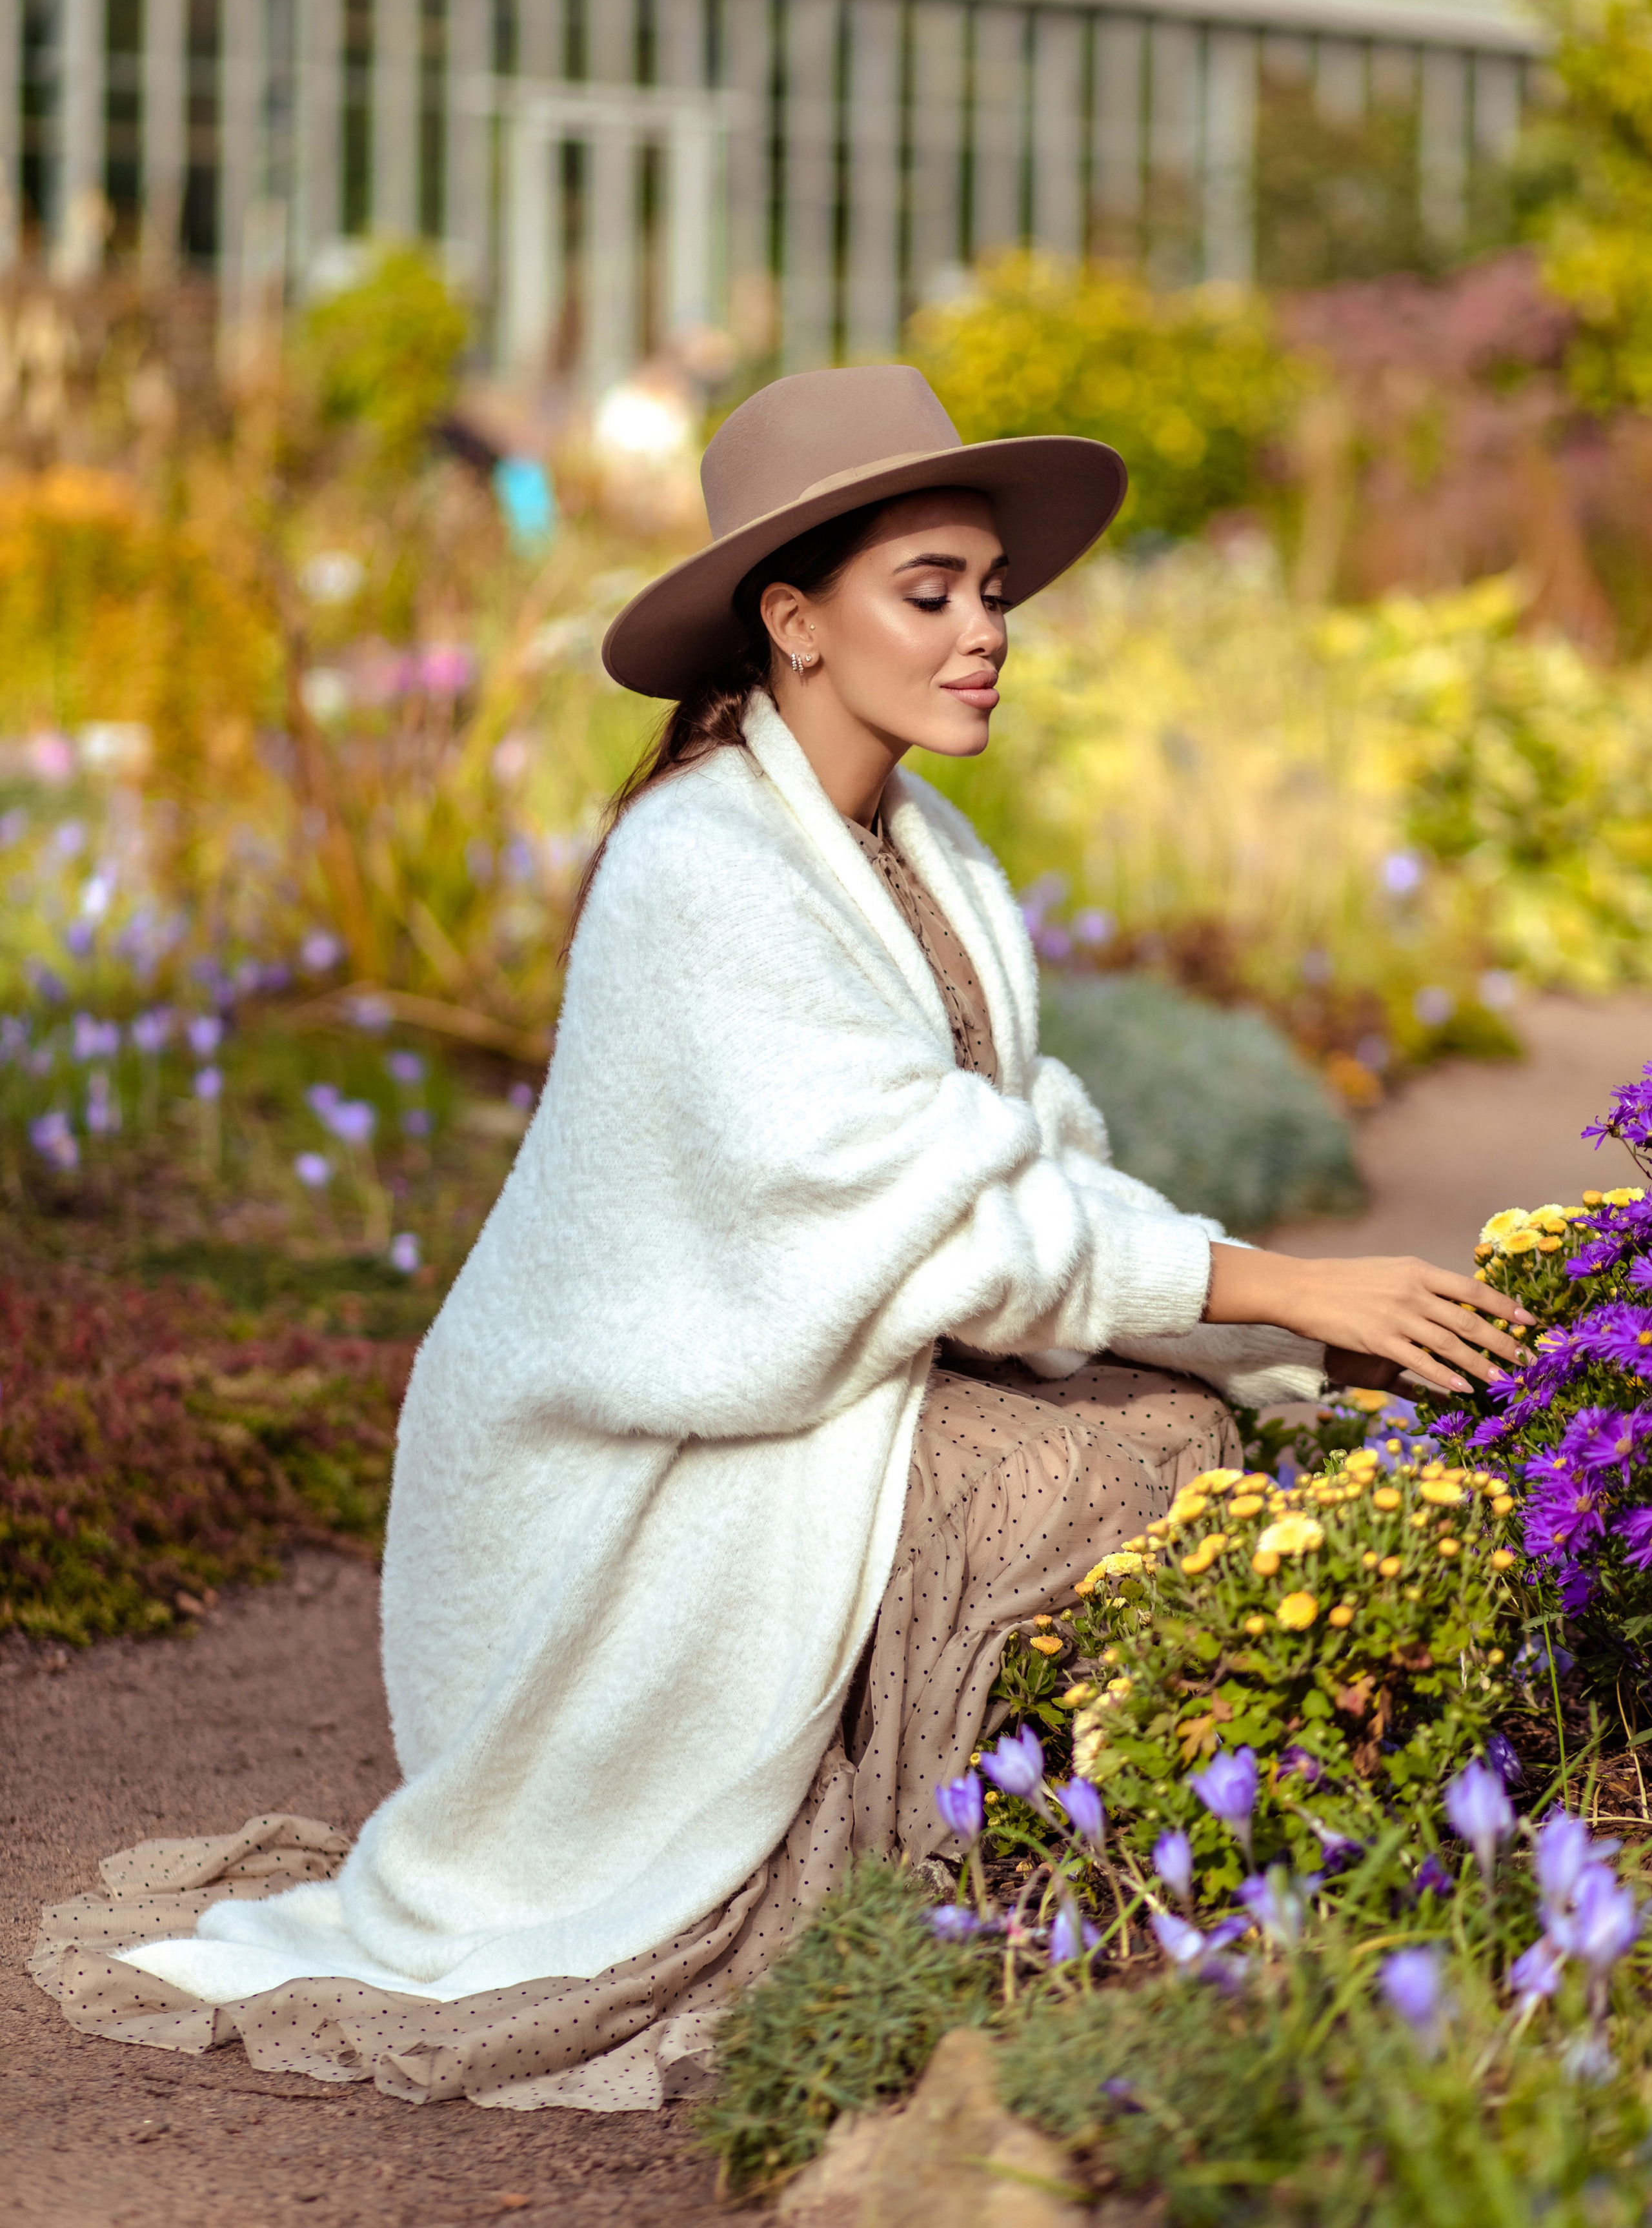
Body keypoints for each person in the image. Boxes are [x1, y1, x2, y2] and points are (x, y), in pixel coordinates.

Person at [34, 365, 1532, 2110]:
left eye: (991, 590)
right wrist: (1269, 1287)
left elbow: (1004, 1160)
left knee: (1201, 1419)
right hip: (636, 1465)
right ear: (793, 620)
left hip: (801, 1382)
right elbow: (904, 1217)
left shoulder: (919, 844)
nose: (986, 630)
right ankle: (908, 1896)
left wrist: (1279, 1329)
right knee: (1116, 1466)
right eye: (932, 591)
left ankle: (1058, 1874)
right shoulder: (703, 870)